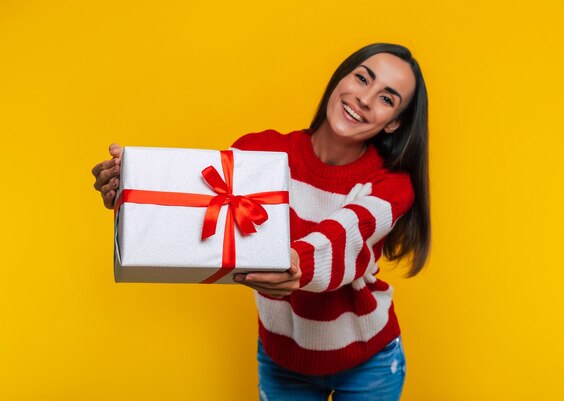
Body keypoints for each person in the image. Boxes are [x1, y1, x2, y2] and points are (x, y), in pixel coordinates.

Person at [92, 42, 430, 401]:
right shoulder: (259, 154)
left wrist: (294, 263)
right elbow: (200, 208)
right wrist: (130, 192)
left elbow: (343, 238)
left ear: (394, 122)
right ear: (340, 80)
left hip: (369, 363)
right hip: (281, 359)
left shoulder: (391, 185)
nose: (364, 98)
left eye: (387, 98)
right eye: (362, 78)